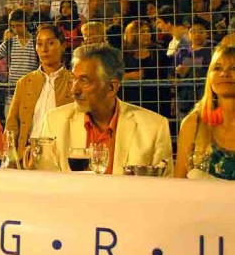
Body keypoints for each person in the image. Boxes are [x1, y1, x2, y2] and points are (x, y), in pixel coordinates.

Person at [40, 44, 173, 175]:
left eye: (84, 81)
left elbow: (163, 191)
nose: (74, 90)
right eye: (74, 79)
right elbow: (46, 185)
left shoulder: (154, 128)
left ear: (111, 88)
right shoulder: (54, 122)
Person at [6, 24, 75, 158]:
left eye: (50, 43)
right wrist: (11, 158)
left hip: (61, 155)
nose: (44, 49)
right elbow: (12, 125)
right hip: (27, 156)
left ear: (63, 45)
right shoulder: (24, 83)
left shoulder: (73, 82)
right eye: (39, 43)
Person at [176, 44, 235, 180]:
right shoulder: (193, 124)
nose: (224, 73)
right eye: (217, 68)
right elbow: (178, 183)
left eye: (233, 68)